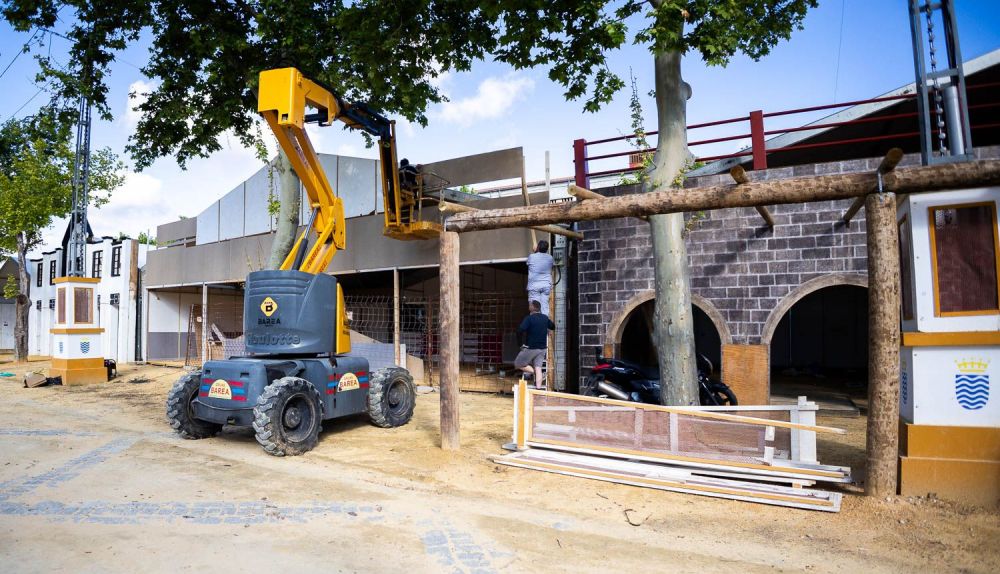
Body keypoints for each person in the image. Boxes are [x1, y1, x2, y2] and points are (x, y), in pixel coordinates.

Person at [514, 300, 554, 390]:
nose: (529, 306)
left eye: (530, 305)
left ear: (532, 307)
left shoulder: (529, 318)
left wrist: (520, 344)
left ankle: (535, 373)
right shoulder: (545, 318)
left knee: (518, 364)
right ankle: (538, 390)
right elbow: (553, 326)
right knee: (538, 367)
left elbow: (519, 330)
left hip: (531, 348)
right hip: (542, 348)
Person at [526, 239, 554, 316]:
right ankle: (544, 321)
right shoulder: (550, 258)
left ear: (538, 247)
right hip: (546, 285)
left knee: (534, 308)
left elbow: (528, 263)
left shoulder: (532, 256)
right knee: (545, 307)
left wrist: (535, 252)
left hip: (534, 286)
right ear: (547, 249)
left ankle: (535, 322)